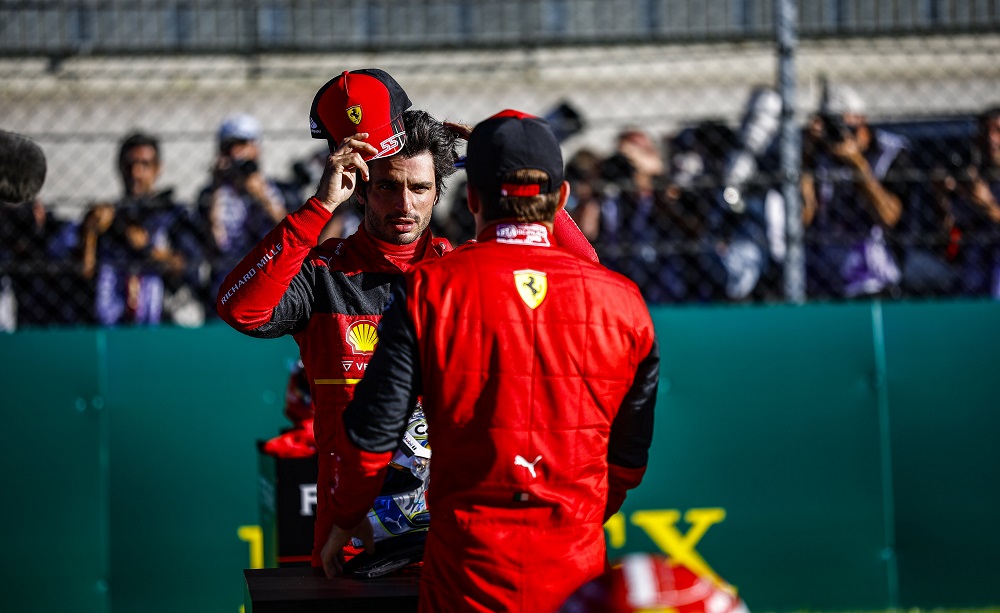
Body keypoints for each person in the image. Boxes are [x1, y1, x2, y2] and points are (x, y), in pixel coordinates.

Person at [216, 69, 599, 571]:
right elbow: (240, 308)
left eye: (419, 188)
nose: (404, 205)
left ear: (441, 191)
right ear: (359, 190)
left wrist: (504, 169)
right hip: (352, 543)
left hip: (456, 542)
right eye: (387, 188)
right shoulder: (324, 275)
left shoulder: (463, 270)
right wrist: (318, 206)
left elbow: (584, 278)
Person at [320, 110, 659, 613]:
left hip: (465, 576)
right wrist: (579, 515)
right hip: (574, 574)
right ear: (563, 200)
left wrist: (344, 521)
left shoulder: (429, 290)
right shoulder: (624, 303)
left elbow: (373, 434)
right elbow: (628, 460)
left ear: (471, 199)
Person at [800, 83, 914, 299]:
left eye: (848, 128)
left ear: (863, 121)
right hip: (823, 278)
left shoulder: (892, 152)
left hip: (877, 277)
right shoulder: (819, 153)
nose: (842, 137)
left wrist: (858, 166)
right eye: (834, 129)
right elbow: (801, 218)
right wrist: (805, 157)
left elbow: (888, 216)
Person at [79, 131, 205, 326]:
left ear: (158, 169)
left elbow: (190, 267)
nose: (135, 173)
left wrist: (147, 250)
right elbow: (84, 273)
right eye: (129, 165)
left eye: (144, 165)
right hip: (114, 321)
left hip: (165, 319)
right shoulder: (108, 218)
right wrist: (90, 232)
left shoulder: (174, 215)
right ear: (119, 168)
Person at [197, 113, 300, 318]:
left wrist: (262, 196)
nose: (236, 153)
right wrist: (217, 185)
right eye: (229, 147)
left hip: (271, 279)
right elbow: (213, 241)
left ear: (256, 147)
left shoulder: (281, 190)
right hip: (228, 279)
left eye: (242, 144)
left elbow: (297, 235)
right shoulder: (210, 195)